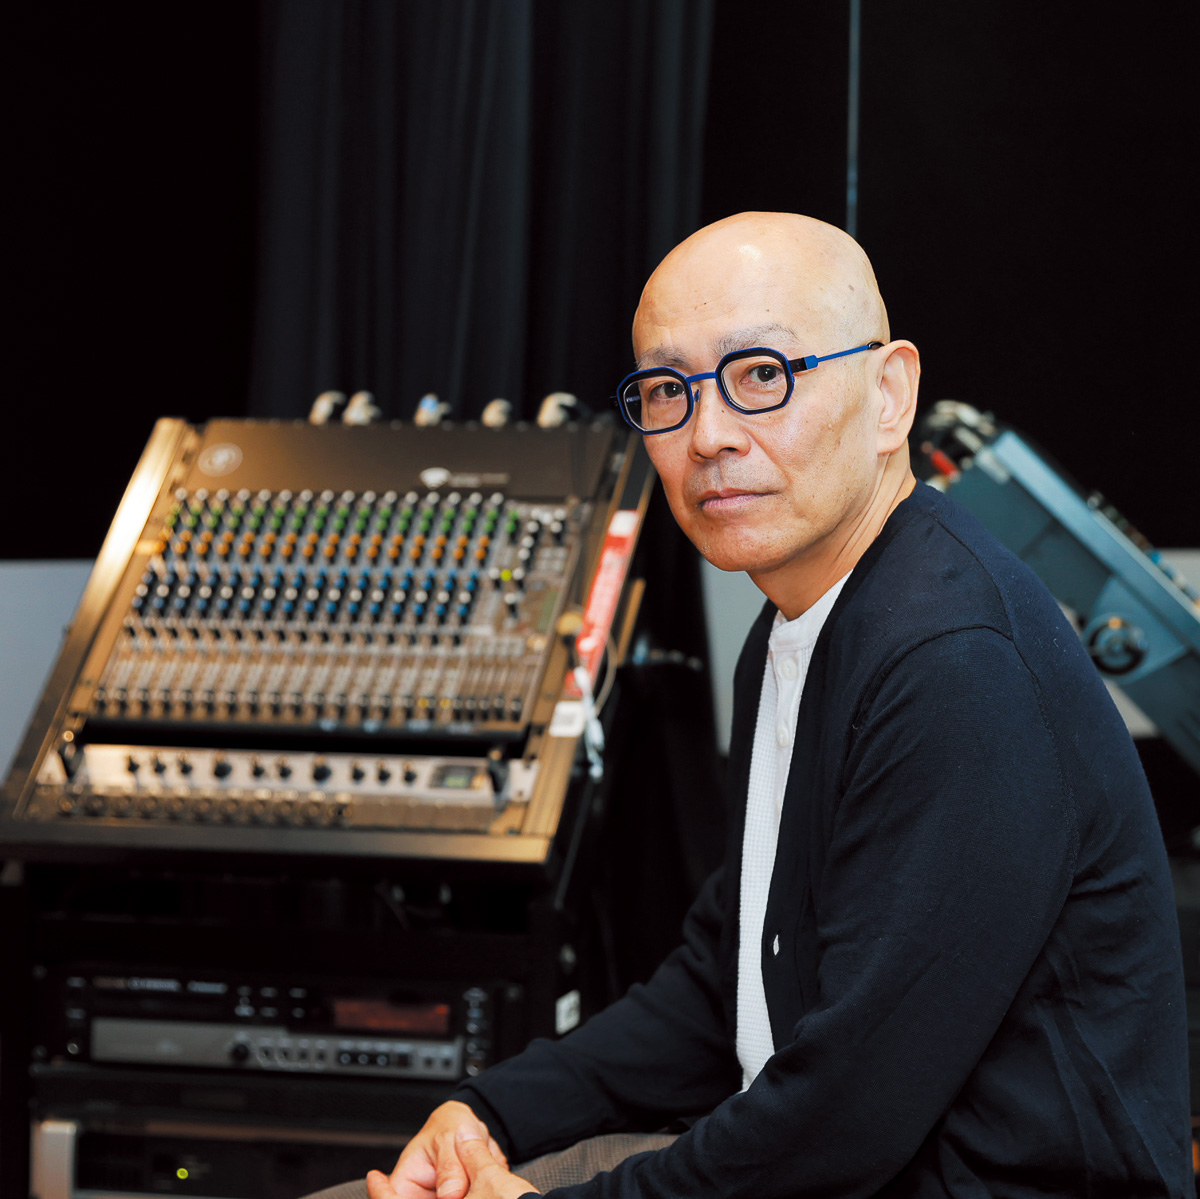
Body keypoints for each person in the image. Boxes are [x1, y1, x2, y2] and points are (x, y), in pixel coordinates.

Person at [350, 213, 1191, 1197]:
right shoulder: (795, 627)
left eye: (763, 374)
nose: (708, 435)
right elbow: (728, 976)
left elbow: (846, 1118)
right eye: (668, 390)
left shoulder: (954, 661)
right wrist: (491, 1110)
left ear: (889, 396)